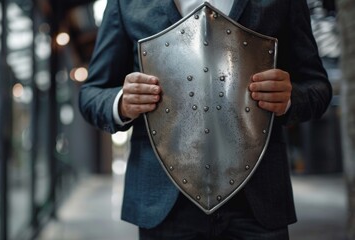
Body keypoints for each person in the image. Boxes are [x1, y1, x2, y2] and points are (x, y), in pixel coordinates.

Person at [79, 0, 332, 239]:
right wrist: (121, 102)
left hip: (258, 202)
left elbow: (317, 86)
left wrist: (290, 99)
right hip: (164, 207)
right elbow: (91, 94)